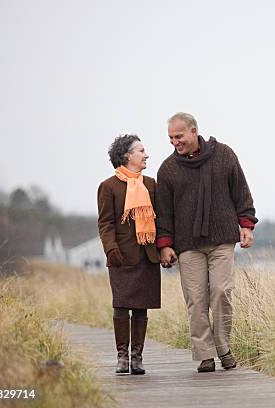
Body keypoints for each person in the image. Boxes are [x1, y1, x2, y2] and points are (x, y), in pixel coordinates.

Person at [156, 112, 257, 373]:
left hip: (222, 238)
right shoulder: (167, 169)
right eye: (170, 138)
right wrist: (165, 244)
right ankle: (204, 354)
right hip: (187, 244)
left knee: (222, 292)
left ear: (193, 131)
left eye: (179, 136)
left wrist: (246, 224)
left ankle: (223, 348)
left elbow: (241, 192)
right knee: (196, 299)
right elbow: (164, 212)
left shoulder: (223, 155)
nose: (174, 142)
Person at [97, 134, 161, 375]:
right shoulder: (108, 186)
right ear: (127, 156)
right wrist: (111, 249)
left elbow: (160, 218)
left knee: (141, 307)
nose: (146, 155)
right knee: (121, 306)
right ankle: (122, 357)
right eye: (141, 151)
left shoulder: (151, 184)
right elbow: (105, 223)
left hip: (147, 254)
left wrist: (164, 247)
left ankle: (137, 358)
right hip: (121, 256)